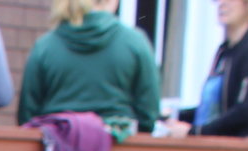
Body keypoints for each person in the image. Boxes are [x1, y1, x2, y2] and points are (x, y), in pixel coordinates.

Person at [16, 0, 160, 137]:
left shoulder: (45, 46)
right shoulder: (135, 42)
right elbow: (148, 113)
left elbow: (27, 115)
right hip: (118, 147)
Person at [163, 0, 248, 137]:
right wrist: (174, 117)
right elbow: (211, 110)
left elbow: (246, 111)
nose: (222, 3)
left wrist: (195, 132)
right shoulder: (224, 51)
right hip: (214, 148)